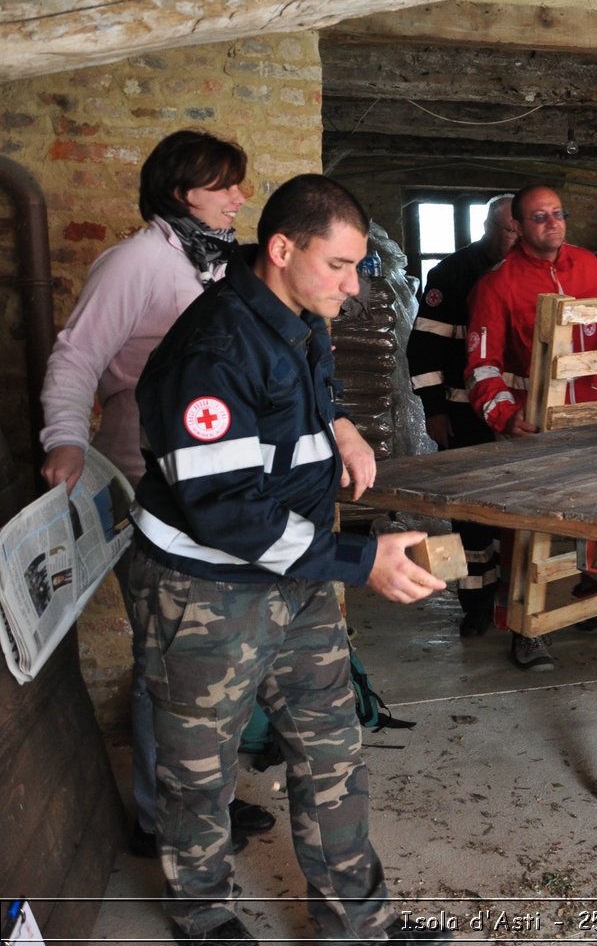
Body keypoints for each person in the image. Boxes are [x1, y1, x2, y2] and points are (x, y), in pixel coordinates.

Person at [127, 173, 451, 946]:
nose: (354, 283)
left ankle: (356, 923)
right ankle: (204, 917)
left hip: (295, 574)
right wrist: (357, 559)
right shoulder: (212, 350)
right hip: (205, 588)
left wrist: (335, 419)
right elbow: (227, 512)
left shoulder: (301, 315)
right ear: (282, 249)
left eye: (359, 265)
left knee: (333, 750)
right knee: (198, 772)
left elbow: (302, 394)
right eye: (340, 265)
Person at [38, 128, 276, 859]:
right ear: (181, 192)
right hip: (149, 484)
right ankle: (158, 816)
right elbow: (78, 356)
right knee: (169, 658)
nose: (240, 196)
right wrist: (64, 439)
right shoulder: (138, 261)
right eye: (224, 184)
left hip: (215, 486)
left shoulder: (221, 265)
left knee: (215, 655)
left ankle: (204, 798)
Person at [464, 185, 597, 669]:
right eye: (539, 217)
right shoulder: (496, 285)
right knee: (528, 533)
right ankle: (525, 629)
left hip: (592, 418)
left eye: (558, 214)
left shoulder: (587, 265)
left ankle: (595, 601)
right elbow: (480, 367)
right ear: (519, 227)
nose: (552, 223)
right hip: (531, 425)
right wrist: (505, 417)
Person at [406, 193, 516, 637]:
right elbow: (424, 349)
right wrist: (433, 411)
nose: (516, 237)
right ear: (488, 229)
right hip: (462, 409)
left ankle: (514, 595)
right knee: (466, 511)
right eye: (509, 229)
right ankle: (474, 601)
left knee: (511, 508)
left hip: (514, 415)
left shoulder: (528, 274)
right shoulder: (451, 275)